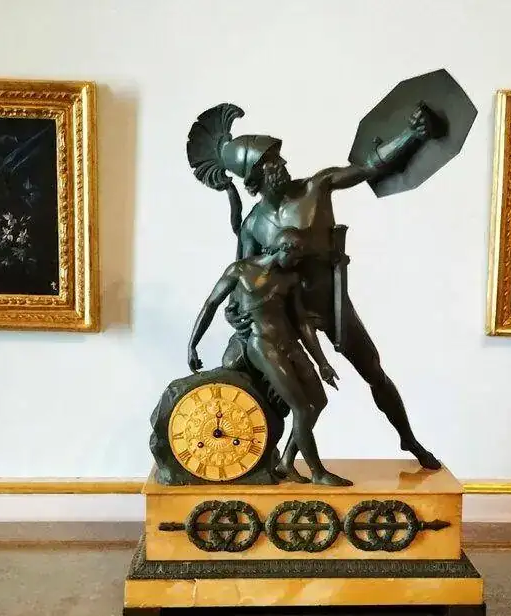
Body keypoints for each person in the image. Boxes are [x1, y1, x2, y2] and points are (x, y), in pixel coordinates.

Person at [213, 102, 445, 472]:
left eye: (279, 158)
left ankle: (409, 439)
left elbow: (369, 167)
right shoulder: (253, 226)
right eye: (273, 162)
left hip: (331, 303)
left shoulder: (316, 187)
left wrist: (412, 135)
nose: (283, 164)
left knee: (373, 370)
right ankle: (275, 457)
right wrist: (232, 312)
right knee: (282, 386)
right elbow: (240, 276)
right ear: (256, 176)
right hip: (285, 315)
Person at [187, 227, 351, 487]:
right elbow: (211, 304)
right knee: (301, 408)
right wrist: (193, 345)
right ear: (284, 248)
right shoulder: (240, 270)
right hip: (263, 344)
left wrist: (323, 363)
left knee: (318, 401)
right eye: (296, 256)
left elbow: (302, 323)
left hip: (289, 343)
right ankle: (318, 472)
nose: (297, 263)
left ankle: (286, 461)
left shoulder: (291, 278)